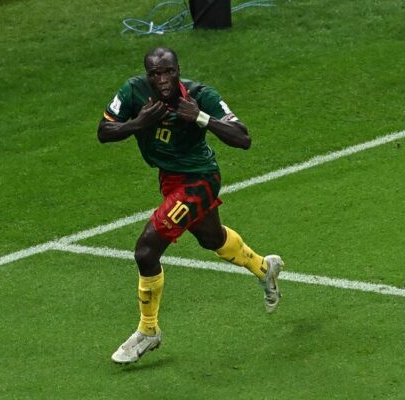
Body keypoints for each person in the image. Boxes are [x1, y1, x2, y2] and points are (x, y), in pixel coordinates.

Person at [97, 47, 284, 364]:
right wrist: (137, 124)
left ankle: (148, 330)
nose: (163, 79)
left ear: (178, 70)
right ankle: (265, 268)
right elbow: (104, 131)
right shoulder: (133, 92)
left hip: (199, 180)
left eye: (168, 71)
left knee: (146, 250)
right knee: (212, 239)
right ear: (147, 75)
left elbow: (243, 138)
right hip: (170, 179)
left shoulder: (200, 95)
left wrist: (199, 117)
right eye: (155, 74)